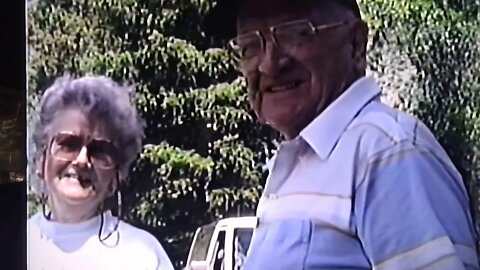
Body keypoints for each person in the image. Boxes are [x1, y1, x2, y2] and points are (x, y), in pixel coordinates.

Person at [205, 0, 479, 269]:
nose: (269, 64)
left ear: (356, 44)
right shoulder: (300, 160)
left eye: (294, 33)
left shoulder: (387, 151)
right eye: (249, 46)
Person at [27, 76, 174, 270]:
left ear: (116, 177)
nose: (81, 160)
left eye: (99, 150)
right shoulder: (11, 242)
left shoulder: (142, 254)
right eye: (68, 144)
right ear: (42, 160)